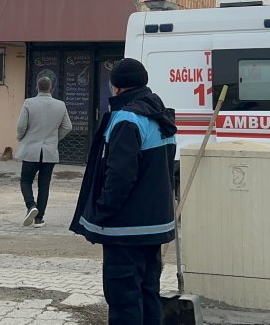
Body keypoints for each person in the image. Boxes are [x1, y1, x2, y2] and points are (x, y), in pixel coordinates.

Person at [70, 58, 177, 325]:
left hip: (125, 229)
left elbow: (120, 176)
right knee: (148, 293)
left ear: (116, 87)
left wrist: (102, 211)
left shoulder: (127, 119)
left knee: (124, 299)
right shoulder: (159, 115)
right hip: (154, 226)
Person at [15, 77, 72, 228]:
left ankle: (31, 205)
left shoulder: (29, 103)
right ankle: (39, 218)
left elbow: (21, 126)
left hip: (31, 150)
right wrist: (54, 138)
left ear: (37, 87)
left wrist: (21, 138)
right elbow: (68, 126)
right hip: (49, 151)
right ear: (51, 88)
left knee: (26, 180)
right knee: (44, 185)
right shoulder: (60, 105)